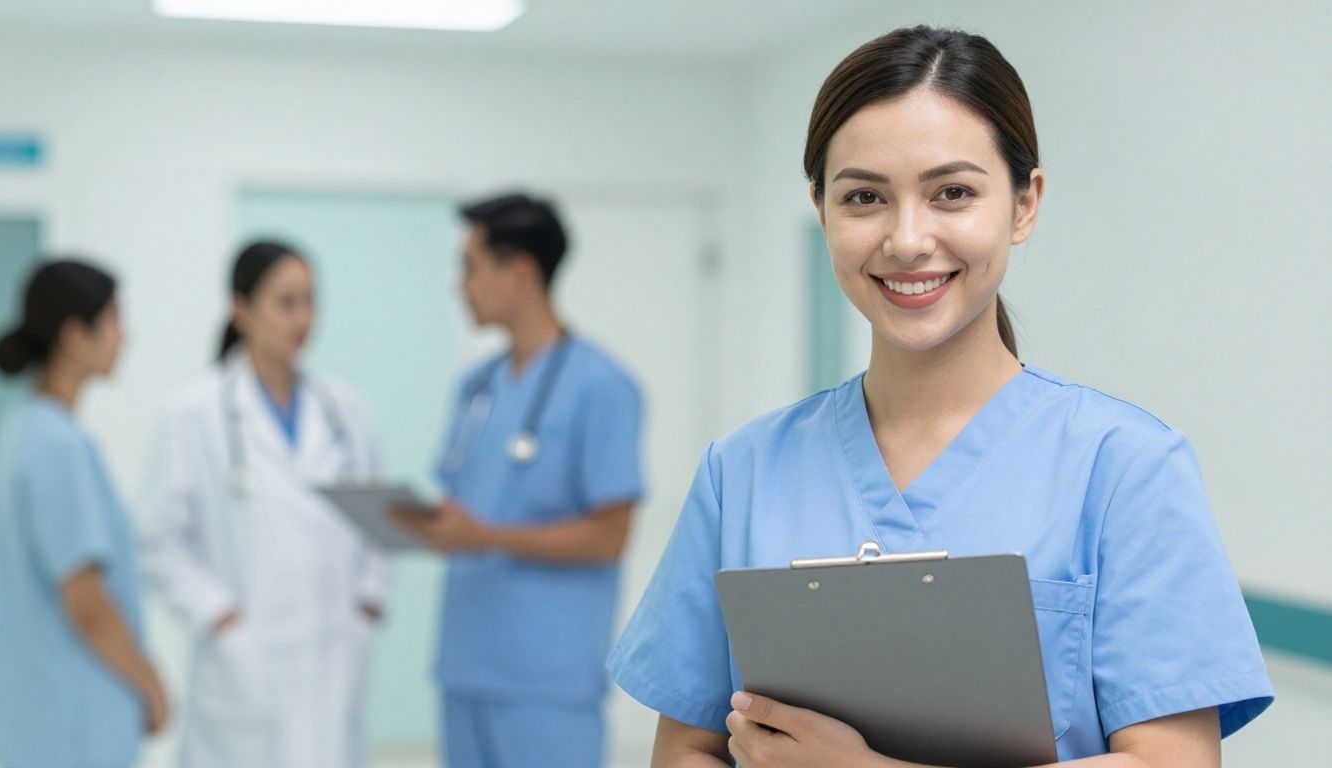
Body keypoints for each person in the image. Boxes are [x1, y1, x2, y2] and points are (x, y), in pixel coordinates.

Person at [608, 26, 1273, 768]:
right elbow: (687, 749)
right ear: (821, 210)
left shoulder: (1125, 468)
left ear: (1025, 204)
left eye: (952, 192)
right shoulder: (743, 473)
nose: (907, 239)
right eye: (864, 197)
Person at [391, 193, 644, 768]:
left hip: (546, 681)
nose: (461, 287)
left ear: (520, 272)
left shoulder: (601, 388)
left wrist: (487, 536)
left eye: (471, 268)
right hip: (465, 667)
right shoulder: (477, 386)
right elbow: (465, 506)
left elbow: (610, 536)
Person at [142, 241, 389, 768]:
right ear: (240, 309)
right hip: (244, 667)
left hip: (333, 656)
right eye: (286, 302)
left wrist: (367, 605)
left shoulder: (346, 412)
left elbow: (378, 525)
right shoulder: (194, 414)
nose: (303, 319)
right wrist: (221, 618)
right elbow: (159, 544)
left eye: (310, 302)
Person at [0, 259, 167, 768]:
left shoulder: (20, 429)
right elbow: (86, 602)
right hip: (72, 728)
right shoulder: (55, 445)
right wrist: (150, 682)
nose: (123, 338)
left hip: (38, 725)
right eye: (112, 321)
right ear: (73, 335)